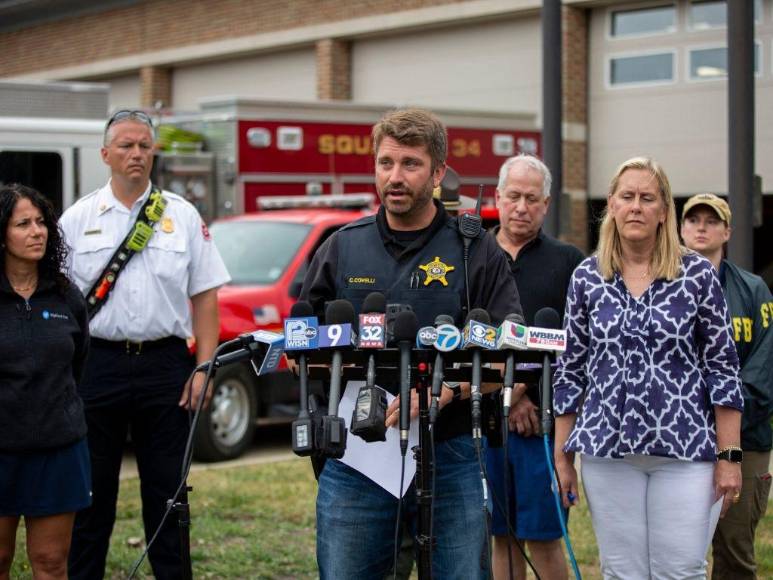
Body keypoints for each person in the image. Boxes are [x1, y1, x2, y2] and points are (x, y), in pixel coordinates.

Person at [300, 107, 522, 579]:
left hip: (454, 451)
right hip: (358, 453)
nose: (394, 177)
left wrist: (447, 392)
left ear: (439, 172)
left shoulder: (476, 250)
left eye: (410, 164)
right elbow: (306, 342)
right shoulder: (341, 246)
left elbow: (508, 356)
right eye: (386, 163)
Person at [552, 157, 743, 579]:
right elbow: (570, 369)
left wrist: (729, 455)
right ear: (613, 207)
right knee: (622, 572)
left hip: (687, 451)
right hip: (607, 453)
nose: (636, 206)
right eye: (627, 197)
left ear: (663, 212)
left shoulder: (696, 275)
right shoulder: (587, 276)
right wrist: (562, 454)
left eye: (647, 198)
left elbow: (722, 367)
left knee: (680, 569)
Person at [60, 110, 230, 580]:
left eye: (144, 146)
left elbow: (206, 295)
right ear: (105, 154)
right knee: (91, 495)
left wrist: (205, 367)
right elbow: (62, 302)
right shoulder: (77, 219)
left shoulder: (182, 214)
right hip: (99, 366)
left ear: (153, 152)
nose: (136, 154)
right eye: (126, 146)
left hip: (166, 368)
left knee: (168, 495)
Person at [485, 154, 583, 580]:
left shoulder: (570, 262)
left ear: (545, 204)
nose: (521, 207)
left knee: (545, 537)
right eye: (513, 197)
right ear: (497, 198)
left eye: (531, 198)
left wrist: (525, 393)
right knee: (501, 537)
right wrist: (506, 399)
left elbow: (578, 346)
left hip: (542, 427)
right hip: (484, 419)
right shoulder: (472, 256)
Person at [680, 193, 773, 580]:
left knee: (735, 552)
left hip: (745, 440)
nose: (702, 227)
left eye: (712, 221)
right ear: (681, 229)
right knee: (680, 551)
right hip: (681, 441)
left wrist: (724, 420)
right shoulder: (663, 287)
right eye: (693, 220)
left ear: (728, 231)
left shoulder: (754, 291)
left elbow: (763, 372)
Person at [0, 184, 90, 580]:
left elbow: (77, 366)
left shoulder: (66, 297)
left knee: (52, 564)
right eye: (23, 224)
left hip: (58, 450)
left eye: (41, 222)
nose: (37, 231)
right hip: (1, 450)